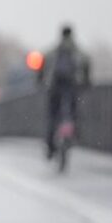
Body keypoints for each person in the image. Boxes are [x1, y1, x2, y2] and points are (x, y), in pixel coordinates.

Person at [39, 25, 90, 159]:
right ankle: (73, 135)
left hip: (55, 88)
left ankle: (50, 146)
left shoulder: (55, 50)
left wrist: (40, 80)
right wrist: (86, 81)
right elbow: (87, 62)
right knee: (72, 113)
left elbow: (42, 62)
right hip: (71, 88)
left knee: (52, 115)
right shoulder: (77, 51)